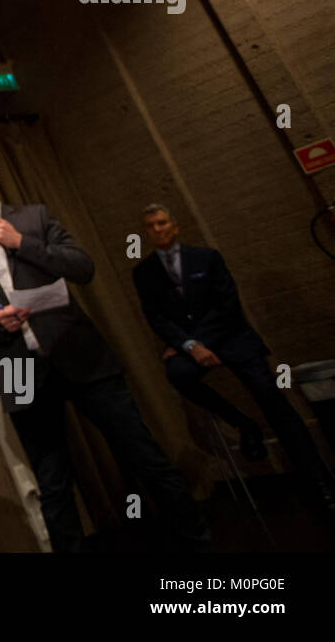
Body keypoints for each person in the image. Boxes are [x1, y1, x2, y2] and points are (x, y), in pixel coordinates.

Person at [0, 148, 209, 551]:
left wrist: (22, 242)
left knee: (142, 452)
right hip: (18, 368)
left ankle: (196, 540)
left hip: (81, 356)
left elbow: (83, 267)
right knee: (53, 481)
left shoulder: (36, 218)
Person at [134, 204, 334, 511]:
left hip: (230, 337)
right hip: (190, 346)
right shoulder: (144, 272)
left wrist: (198, 343)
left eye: (162, 222)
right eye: (150, 225)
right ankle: (243, 424)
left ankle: (319, 480)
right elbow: (157, 318)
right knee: (177, 374)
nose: (157, 229)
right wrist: (188, 346)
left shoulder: (207, 257)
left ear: (175, 226)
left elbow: (228, 305)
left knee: (273, 399)